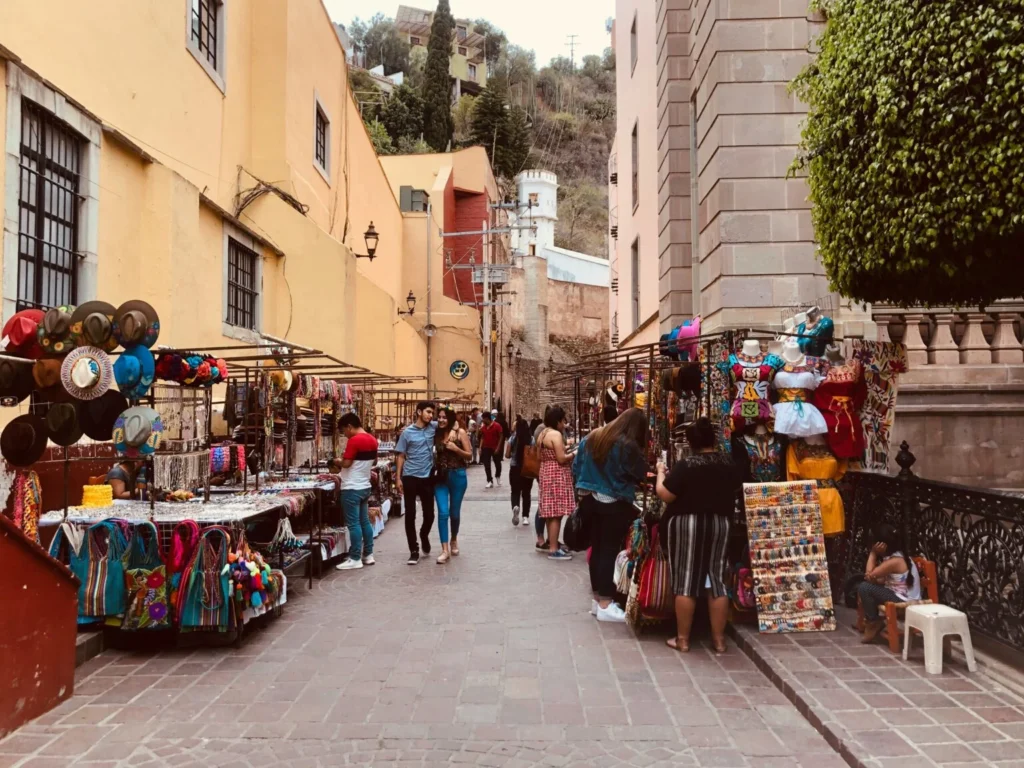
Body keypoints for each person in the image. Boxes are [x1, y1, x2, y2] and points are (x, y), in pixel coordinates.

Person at [656, 418, 740, 654]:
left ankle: (683, 640)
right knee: (717, 579)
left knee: (686, 579)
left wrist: (661, 474)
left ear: (691, 442)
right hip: (719, 523)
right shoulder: (727, 463)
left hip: (688, 524)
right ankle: (719, 640)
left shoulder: (687, 465)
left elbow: (666, 495)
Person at [573, 408, 649, 622]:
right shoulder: (626, 445)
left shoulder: (593, 436)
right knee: (607, 549)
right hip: (613, 501)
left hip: (589, 499)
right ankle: (606, 602)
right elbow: (639, 473)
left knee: (596, 548)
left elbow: (576, 466)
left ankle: (598, 599)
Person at [857, 524, 921, 643]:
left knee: (864, 588)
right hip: (900, 596)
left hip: (904, 601)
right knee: (868, 588)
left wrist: (873, 553)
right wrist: (874, 579)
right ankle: (870, 620)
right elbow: (881, 579)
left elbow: (868, 575)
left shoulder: (895, 561)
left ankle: (873, 622)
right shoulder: (897, 556)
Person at [395, 401, 437, 565]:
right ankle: (413, 550)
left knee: (430, 514)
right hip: (410, 476)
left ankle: (424, 534)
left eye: (432, 413)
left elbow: (451, 421)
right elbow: (400, 455)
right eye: (428, 412)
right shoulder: (407, 433)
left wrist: (455, 430)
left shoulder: (433, 427)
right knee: (410, 514)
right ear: (419, 412)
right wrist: (398, 478)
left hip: (427, 477)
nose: (430, 415)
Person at [336, 413, 379, 570]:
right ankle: (368, 554)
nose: (345, 435)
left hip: (351, 487)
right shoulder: (372, 439)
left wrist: (336, 461)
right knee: (364, 521)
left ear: (349, 426)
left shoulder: (354, 441)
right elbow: (374, 461)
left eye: (344, 431)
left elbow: (346, 463)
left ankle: (355, 558)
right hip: (364, 485)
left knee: (353, 524)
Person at [537, 406, 576, 561]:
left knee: (550, 513)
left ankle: (552, 543)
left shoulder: (543, 433)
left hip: (546, 472)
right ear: (558, 421)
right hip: (556, 475)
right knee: (556, 514)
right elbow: (561, 458)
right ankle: (554, 549)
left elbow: (541, 456)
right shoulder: (556, 434)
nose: (564, 424)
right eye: (563, 421)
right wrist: (574, 453)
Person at [433, 407, 472, 564]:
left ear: (450, 419)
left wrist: (456, 448)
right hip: (440, 477)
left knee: (454, 513)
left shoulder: (459, 433)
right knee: (443, 513)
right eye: (439, 417)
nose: (441, 420)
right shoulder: (434, 433)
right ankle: (444, 550)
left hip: (458, 475)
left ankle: (454, 539)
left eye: (444, 417)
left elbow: (469, 456)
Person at [507, 417, 535, 527]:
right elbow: (533, 455)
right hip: (527, 469)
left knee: (515, 491)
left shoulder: (512, 439)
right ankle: (525, 517)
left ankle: (515, 506)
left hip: (514, 468)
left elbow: (507, 454)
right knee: (526, 493)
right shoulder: (531, 439)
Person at [479, 411, 504, 488]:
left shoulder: (497, 426)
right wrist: (480, 447)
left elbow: (501, 437)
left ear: (487, 419)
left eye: (483, 419)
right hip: (486, 448)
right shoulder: (483, 428)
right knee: (487, 465)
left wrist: (498, 448)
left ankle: (498, 475)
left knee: (498, 464)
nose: (482, 420)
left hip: (495, 447)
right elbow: (482, 437)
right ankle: (490, 480)